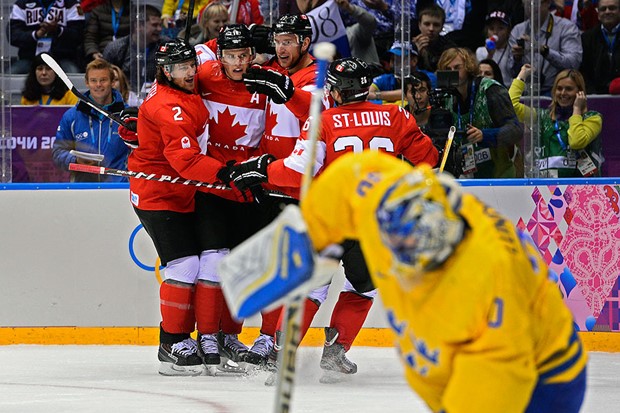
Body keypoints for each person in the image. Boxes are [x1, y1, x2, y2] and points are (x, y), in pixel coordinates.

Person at [274, 149, 587, 413]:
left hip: (540, 381)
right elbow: (343, 182)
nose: (408, 262)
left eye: (425, 254)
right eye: (398, 242)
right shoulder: (386, 194)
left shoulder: (488, 296)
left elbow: (481, 391)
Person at [233, 57, 439, 379]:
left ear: (337, 92)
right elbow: (426, 158)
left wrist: (263, 170)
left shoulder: (324, 120)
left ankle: (281, 353)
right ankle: (335, 350)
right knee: (363, 289)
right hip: (372, 221)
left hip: (329, 217)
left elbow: (299, 172)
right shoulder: (396, 115)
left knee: (313, 289)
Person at [126, 38, 251, 375]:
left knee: (203, 262)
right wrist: (226, 174)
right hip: (158, 193)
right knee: (183, 266)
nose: (189, 73)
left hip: (182, 191)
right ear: (165, 72)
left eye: (190, 65)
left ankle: (195, 336)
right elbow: (184, 159)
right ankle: (172, 342)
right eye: (181, 68)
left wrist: (137, 127)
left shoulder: (177, 89)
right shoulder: (170, 106)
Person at [436, 47, 522, 178]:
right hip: (468, 177)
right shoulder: (448, 97)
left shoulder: (491, 89)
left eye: (457, 67)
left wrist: (484, 135)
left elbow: (515, 130)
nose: (453, 73)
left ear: (468, 67)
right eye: (448, 70)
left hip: (500, 176)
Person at [510, 64, 603, 177]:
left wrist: (577, 110)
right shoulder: (542, 116)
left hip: (580, 188)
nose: (563, 93)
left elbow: (576, 142)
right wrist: (522, 75)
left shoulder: (592, 118)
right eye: (559, 88)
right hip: (545, 187)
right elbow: (511, 106)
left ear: (580, 92)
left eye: (568, 89)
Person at [51, 58, 129, 182]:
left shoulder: (127, 116)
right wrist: (75, 160)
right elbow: (57, 153)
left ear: (113, 82)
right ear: (87, 82)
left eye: (103, 80)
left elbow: (142, 152)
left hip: (119, 189)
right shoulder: (72, 116)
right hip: (83, 190)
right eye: (93, 80)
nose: (98, 85)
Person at [509, 0, 582, 95]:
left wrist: (544, 50)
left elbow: (573, 64)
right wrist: (517, 59)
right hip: (526, 93)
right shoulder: (517, 30)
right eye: (527, 4)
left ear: (547, 3)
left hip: (557, 93)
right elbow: (509, 71)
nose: (531, 8)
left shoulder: (567, 28)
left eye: (535, 3)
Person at [8, 0, 85, 74]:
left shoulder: (71, 3)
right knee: (10, 75)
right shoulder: (22, 4)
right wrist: (36, 34)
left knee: (74, 75)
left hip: (61, 58)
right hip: (30, 58)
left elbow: (79, 35)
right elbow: (13, 35)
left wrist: (58, 31)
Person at [103, 5, 164, 93]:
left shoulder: (165, 46)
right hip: (124, 99)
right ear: (138, 25)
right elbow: (104, 79)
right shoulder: (116, 49)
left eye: (160, 25)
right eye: (154, 25)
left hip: (156, 98)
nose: (159, 29)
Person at [369, 41, 436, 105]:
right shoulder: (385, 79)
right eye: (393, 59)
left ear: (414, 61)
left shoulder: (429, 77)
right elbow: (368, 94)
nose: (395, 63)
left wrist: (377, 96)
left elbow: (412, 94)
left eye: (400, 59)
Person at [581, 0, 620, 94]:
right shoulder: (587, 37)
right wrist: (593, 95)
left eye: (612, 8)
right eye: (603, 9)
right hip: (596, 95)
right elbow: (584, 71)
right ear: (598, 13)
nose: (607, 11)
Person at [413, 4, 457, 73]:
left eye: (436, 25)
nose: (431, 29)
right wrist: (415, 54)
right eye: (427, 24)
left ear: (442, 27)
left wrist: (426, 55)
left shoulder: (449, 47)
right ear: (419, 25)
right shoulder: (409, 46)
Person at [475, 9, 513, 88]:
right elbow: (482, 74)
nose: (495, 32)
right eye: (491, 28)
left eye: (501, 28)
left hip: (507, 90)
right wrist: (490, 54)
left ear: (508, 31)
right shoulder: (480, 51)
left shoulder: (512, 51)